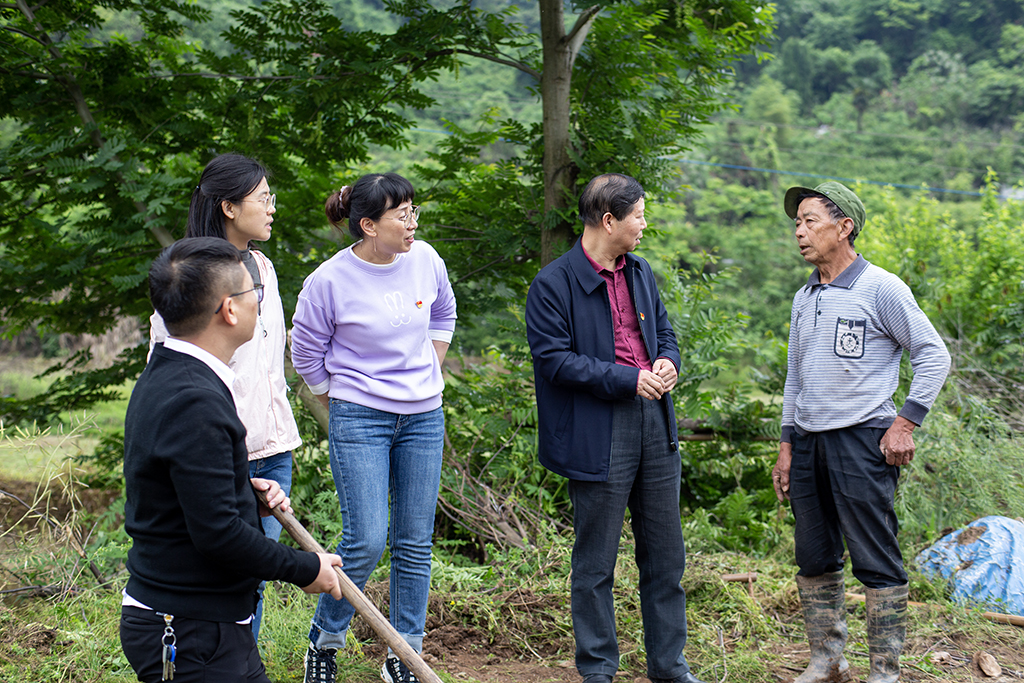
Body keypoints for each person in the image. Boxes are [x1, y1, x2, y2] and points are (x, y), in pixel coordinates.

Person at [121, 237, 343, 683]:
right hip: (187, 630)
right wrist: (305, 568)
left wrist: (242, 492)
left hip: (211, 626)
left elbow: (184, 491)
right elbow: (218, 535)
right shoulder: (194, 400)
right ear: (229, 309)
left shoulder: (173, 373)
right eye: (252, 293)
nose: (259, 304)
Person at [525, 173, 704, 683]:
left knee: (666, 556)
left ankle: (669, 667)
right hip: (596, 428)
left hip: (655, 420)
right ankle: (598, 669)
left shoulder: (640, 271)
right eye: (639, 215)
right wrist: (630, 379)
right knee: (596, 561)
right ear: (609, 221)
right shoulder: (553, 284)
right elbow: (556, 361)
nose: (645, 224)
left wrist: (667, 362)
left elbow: (664, 332)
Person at [771, 182, 950, 683]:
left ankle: (885, 672)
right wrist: (786, 446)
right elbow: (796, 376)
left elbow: (933, 353)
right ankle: (828, 662)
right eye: (797, 223)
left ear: (844, 226)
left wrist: (905, 422)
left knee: (875, 556)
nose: (800, 232)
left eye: (810, 221)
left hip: (861, 439)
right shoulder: (805, 296)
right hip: (808, 442)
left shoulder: (882, 287)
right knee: (813, 556)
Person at [291, 173, 457, 683]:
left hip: (424, 416)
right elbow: (305, 353)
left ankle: (404, 653)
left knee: (414, 542)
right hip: (360, 416)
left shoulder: (426, 259)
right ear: (368, 225)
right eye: (400, 215)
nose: (412, 223)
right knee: (366, 538)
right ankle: (325, 641)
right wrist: (341, 399)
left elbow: (444, 313)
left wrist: (427, 368)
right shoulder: (328, 281)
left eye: (414, 211)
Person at [148, 153, 302, 643]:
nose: (272, 207)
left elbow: (271, 358)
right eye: (263, 198)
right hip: (218, 451)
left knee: (254, 585)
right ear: (230, 207)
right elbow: (169, 365)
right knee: (227, 581)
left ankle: (241, 665)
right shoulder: (189, 272)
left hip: (273, 448)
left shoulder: (263, 267)